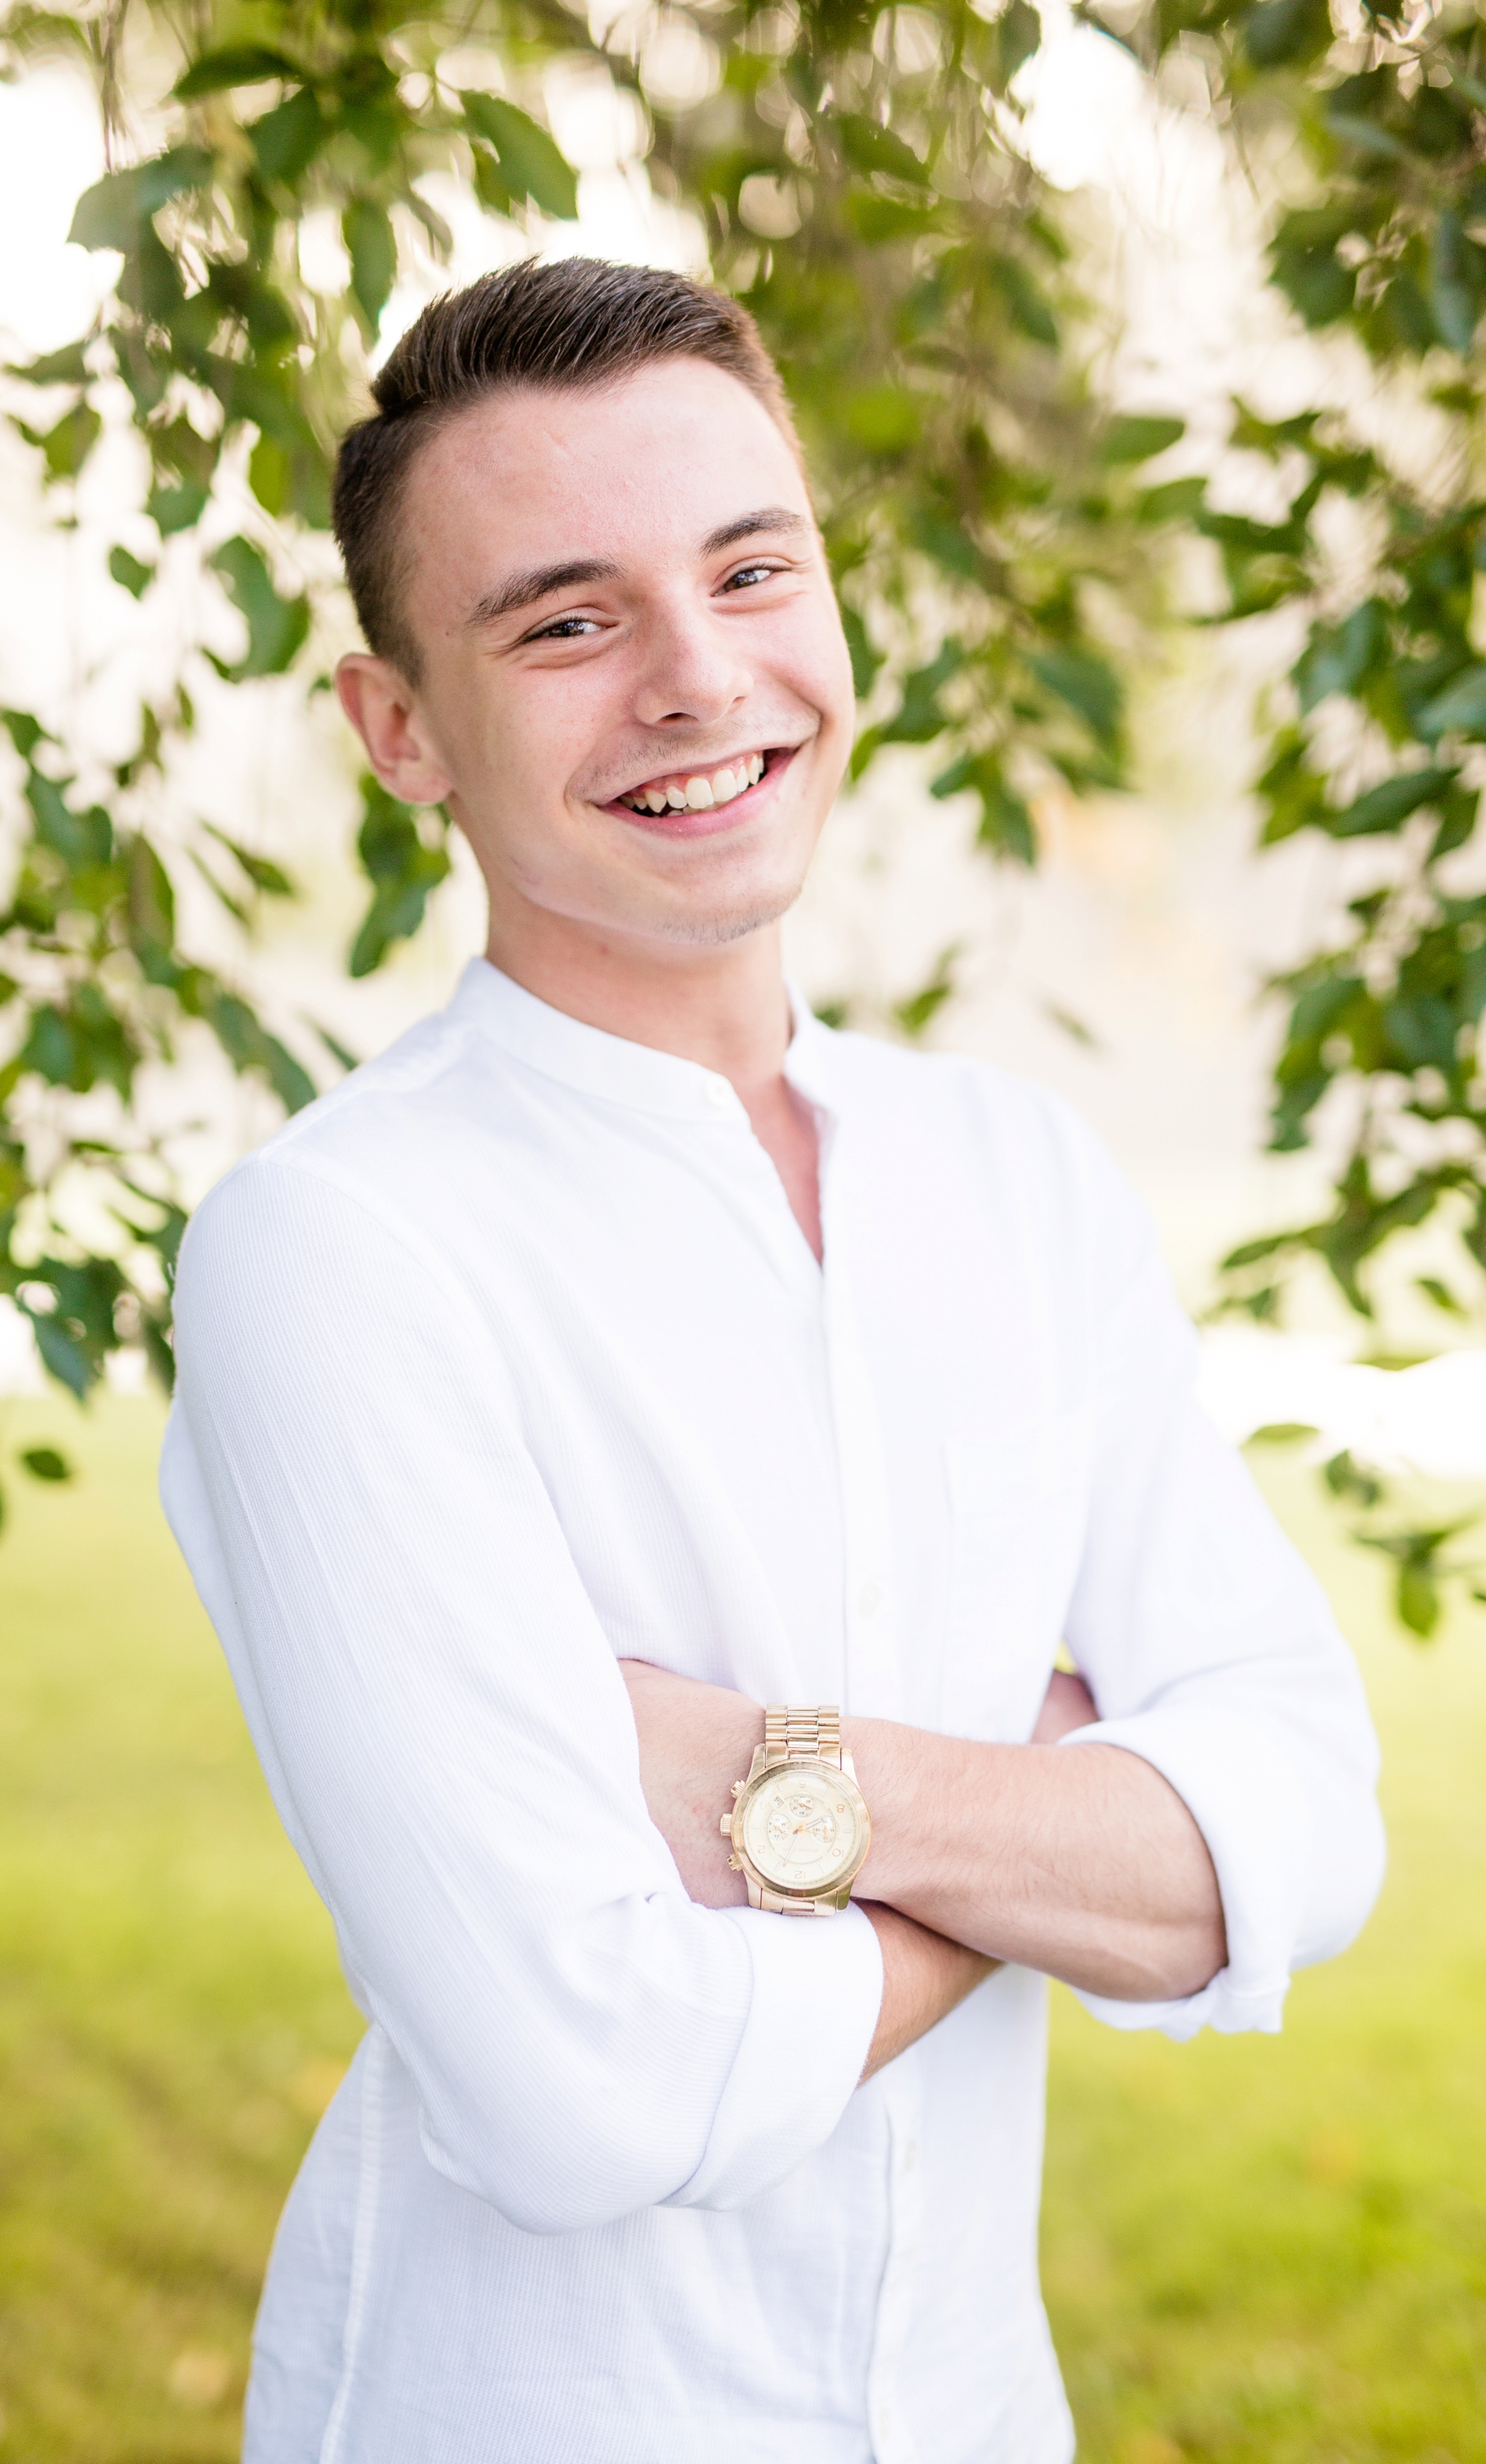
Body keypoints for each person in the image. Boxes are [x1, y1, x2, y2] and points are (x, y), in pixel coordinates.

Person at [160, 256, 1384, 2464]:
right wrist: (1051, 1830)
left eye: (753, 568)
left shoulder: (1015, 1173)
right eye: (566, 618)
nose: (700, 676)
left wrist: (779, 1787)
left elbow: (1302, 1827)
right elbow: (576, 2087)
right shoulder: (334, 1251)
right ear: (400, 729)